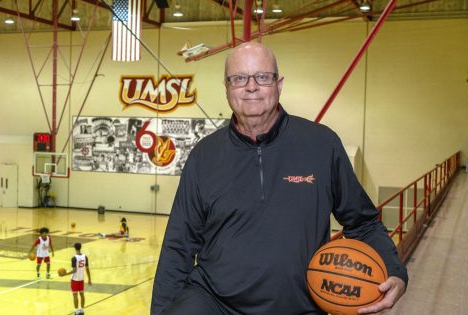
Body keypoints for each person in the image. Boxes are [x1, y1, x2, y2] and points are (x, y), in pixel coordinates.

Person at [151, 42, 408, 314]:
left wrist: (394, 270)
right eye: (239, 79)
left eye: (262, 77)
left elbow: (363, 222)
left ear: (279, 84)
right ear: (226, 88)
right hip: (214, 301)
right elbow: (178, 245)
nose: (251, 87)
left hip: (300, 304)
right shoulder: (204, 155)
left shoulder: (321, 144)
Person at [61, 242, 92, 315]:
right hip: (81, 279)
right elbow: (87, 269)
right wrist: (89, 279)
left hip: (75, 279)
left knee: (75, 295)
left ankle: (76, 311)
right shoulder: (85, 257)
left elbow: (74, 270)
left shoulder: (74, 258)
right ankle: (82, 310)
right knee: (82, 294)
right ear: (80, 248)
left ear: (75, 248)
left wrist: (65, 274)